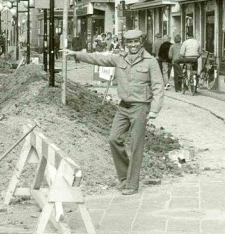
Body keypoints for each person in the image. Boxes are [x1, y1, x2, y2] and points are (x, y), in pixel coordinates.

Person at [62, 29, 164, 195]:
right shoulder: (119, 58)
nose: (133, 45)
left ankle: (132, 184)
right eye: (129, 42)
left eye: (136, 42)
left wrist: (154, 110)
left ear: (141, 42)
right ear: (125, 44)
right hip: (124, 106)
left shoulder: (150, 62)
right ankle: (124, 177)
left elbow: (158, 86)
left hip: (141, 107)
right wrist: (76, 54)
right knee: (113, 139)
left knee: (136, 145)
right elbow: (99, 58)